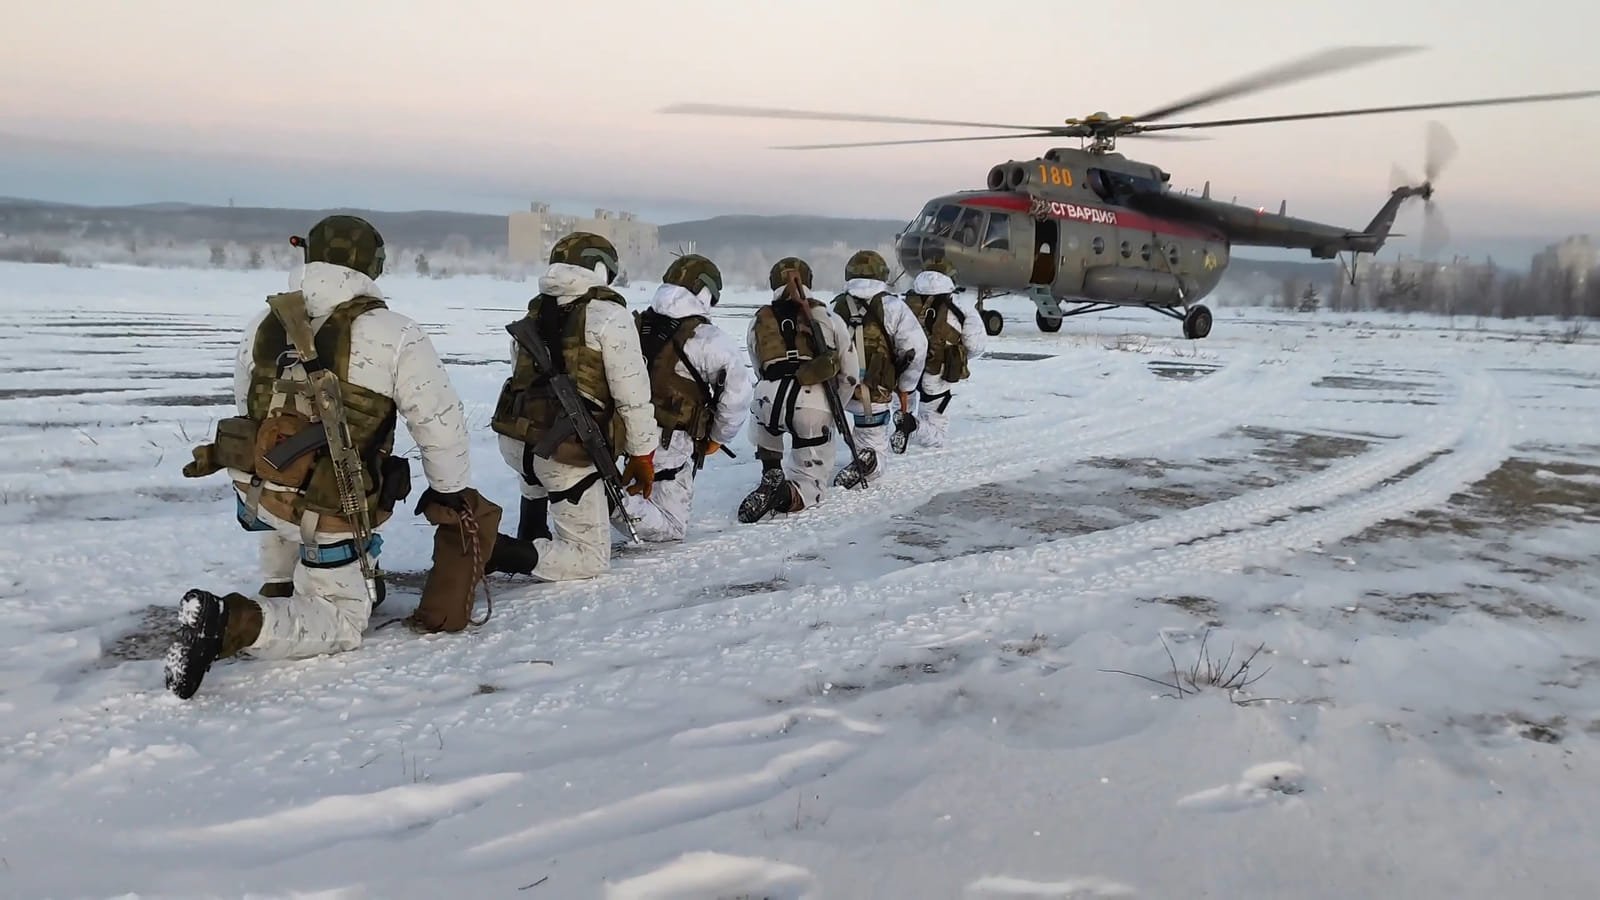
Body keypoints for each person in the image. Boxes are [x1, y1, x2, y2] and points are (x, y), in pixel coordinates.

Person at [168, 214, 494, 699]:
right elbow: (439, 423)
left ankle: (280, 585)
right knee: (341, 620)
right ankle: (229, 622)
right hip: (325, 506)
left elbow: (247, 407)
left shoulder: (264, 323)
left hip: (256, 491)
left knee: (287, 498)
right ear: (371, 265)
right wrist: (450, 489)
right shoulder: (395, 332)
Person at [484, 232, 656, 579]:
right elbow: (632, 394)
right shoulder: (609, 315)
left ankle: (531, 531)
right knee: (589, 558)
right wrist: (642, 454)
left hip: (517, 439)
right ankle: (494, 550)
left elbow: (521, 377)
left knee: (537, 471)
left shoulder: (535, 311)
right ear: (600, 268)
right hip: (564, 450)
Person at [613, 254, 753, 541]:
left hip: (623, 430)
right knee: (672, 527)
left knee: (639, 487)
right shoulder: (708, 338)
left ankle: (612, 496)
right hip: (669, 440)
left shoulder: (633, 325)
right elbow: (736, 396)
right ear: (705, 292)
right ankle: (608, 500)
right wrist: (718, 437)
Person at [738, 257, 860, 523]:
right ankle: (785, 494)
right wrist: (833, 407)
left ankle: (771, 472)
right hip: (812, 401)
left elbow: (758, 366)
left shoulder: (759, 319)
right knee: (810, 486)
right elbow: (850, 374)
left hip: (767, 397)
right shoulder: (829, 317)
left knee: (767, 428)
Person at [829, 249, 926, 488]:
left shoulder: (835, 307)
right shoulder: (894, 306)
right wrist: (906, 385)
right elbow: (916, 347)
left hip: (838, 390)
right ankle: (870, 462)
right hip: (876, 391)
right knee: (872, 442)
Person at [901, 261, 988, 449]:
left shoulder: (904, 302)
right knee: (936, 432)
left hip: (904, 369)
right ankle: (913, 426)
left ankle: (900, 424)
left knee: (900, 408)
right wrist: (959, 357)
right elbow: (975, 345)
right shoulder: (961, 306)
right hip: (937, 372)